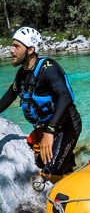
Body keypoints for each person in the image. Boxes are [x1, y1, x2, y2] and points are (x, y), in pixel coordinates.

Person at [0, 27, 82, 185]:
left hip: (66, 125)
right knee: (41, 164)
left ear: (30, 50)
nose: (11, 50)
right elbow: (9, 96)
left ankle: (74, 185)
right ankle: (69, 170)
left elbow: (65, 97)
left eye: (16, 46)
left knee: (47, 175)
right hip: (48, 127)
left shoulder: (48, 69)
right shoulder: (22, 75)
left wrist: (49, 132)